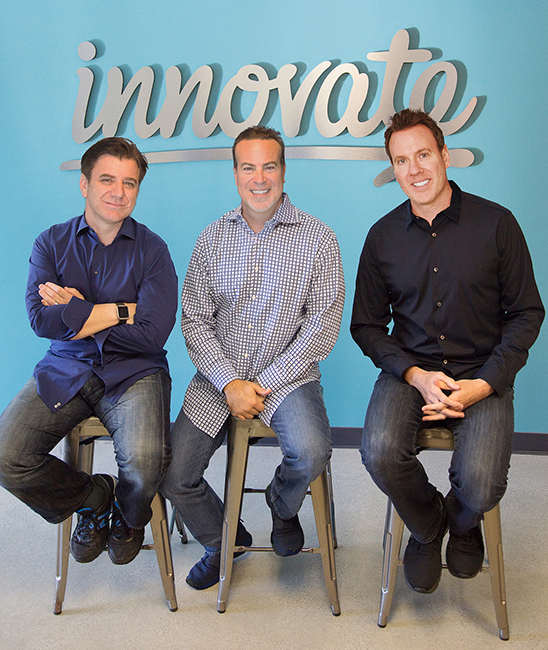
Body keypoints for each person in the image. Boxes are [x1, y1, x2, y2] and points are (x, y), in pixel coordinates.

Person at [351, 108, 544, 594]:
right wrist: (414, 375)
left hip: (482, 371)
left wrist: (485, 383)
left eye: (423, 155)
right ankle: (428, 526)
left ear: (445, 156)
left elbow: (526, 313)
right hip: (411, 372)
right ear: (393, 169)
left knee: (481, 482)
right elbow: (367, 326)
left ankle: (462, 521)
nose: (414, 170)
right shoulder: (381, 237)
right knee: (378, 452)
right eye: (401, 161)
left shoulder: (497, 224)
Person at [161, 125, 344, 590]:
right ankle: (225, 540)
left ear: (283, 171)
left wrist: (262, 383)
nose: (259, 178)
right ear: (235, 173)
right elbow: (194, 320)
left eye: (269, 167)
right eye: (248, 168)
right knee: (174, 474)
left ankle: (281, 505)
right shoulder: (211, 238)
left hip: (288, 377)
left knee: (311, 451)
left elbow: (322, 327)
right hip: (218, 377)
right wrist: (229, 382)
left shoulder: (319, 238)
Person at [0, 137, 178, 567]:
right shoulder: (50, 243)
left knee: (146, 460)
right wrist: (119, 311)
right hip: (67, 367)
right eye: (107, 180)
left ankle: (130, 516)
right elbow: (41, 321)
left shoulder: (153, 250)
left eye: (129, 183)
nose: (119, 192)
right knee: (6, 455)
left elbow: (152, 335)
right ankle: (94, 497)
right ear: (84, 184)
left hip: (136, 372)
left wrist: (77, 312)